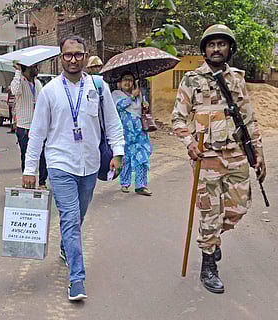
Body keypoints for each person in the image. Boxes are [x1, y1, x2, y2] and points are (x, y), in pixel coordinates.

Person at [22, 35, 124, 301]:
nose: (73, 59)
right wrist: (30, 168)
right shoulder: (50, 91)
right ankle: (77, 279)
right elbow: (37, 133)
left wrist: (119, 153)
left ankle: (67, 248)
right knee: (69, 218)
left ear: (86, 55)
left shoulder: (99, 87)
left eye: (78, 54)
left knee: (78, 217)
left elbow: (112, 123)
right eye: (68, 55)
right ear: (60, 57)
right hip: (60, 164)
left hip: (90, 165)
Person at [172, 24, 266, 294]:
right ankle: (208, 263)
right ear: (204, 49)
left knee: (238, 208)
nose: (216, 49)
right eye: (211, 45)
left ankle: (212, 241)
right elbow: (178, 118)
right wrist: (189, 143)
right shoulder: (191, 80)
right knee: (210, 212)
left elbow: (249, 118)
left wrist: (258, 153)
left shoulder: (237, 79)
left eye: (221, 44)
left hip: (236, 154)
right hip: (207, 156)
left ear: (229, 48)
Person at [112, 71, 153, 196]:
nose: (127, 82)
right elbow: (119, 106)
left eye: (130, 80)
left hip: (140, 132)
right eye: (125, 79)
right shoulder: (116, 94)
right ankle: (125, 183)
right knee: (126, 159)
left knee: (142, 158)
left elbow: (144, 110)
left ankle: (141, 185)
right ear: (120, 82)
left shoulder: (139, 94)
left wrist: (144, 103)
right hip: (125, 133)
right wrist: (132, 96)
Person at [10, 60, 48, 189]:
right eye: (33, 66)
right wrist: (17, 71)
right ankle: (27, 181)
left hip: (39, 125)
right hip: (24, 126)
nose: (36, 69)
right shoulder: (20, 82)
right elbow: (14, 91)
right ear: (25, 69)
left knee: (43, 155)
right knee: (26, 155)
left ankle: (42, 182)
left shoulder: (37, 83)